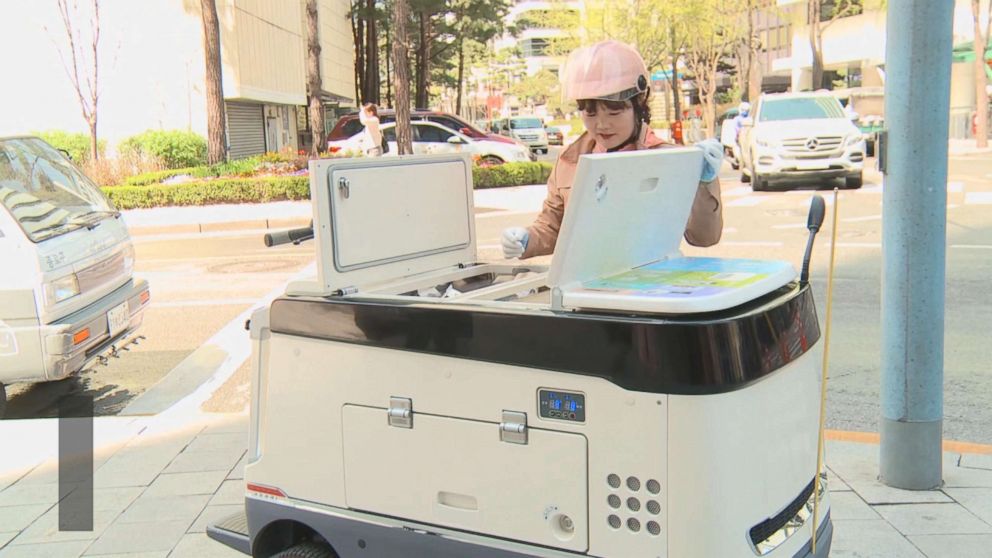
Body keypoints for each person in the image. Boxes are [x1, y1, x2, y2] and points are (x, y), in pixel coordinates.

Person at [501, 40, 725, 259]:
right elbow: (553, 227)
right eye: (590, 113)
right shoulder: (570, 161)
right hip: (586, 286)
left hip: (651, 284)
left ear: (638, 105)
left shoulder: (665, 158)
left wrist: (704, 181)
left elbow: (704, 237)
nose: (601, 124)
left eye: (614, 112)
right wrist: (526, 239)